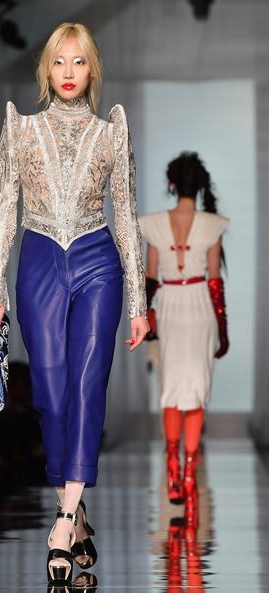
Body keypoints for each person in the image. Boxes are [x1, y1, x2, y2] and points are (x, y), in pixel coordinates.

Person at [0, 22, 149, 582]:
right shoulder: (21, 128)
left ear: (92, 68)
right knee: (51, 395)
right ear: (46, 69)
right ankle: (76, 514)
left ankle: (61, 521)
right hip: (38, 261)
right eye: (60, 61)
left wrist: (138, 302)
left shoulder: (111, 133)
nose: (69, 72)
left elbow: (126, 215)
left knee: (86, 386)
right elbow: (4, 209)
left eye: (79, 61)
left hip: (98, 260)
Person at [139, 152, 229, 526]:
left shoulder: (154, 225)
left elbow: (150, 279)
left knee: (172, 389)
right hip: (200, 305)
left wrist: (144, 318)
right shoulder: (212, 225)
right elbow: (215, 281)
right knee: (196, 390)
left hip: (171, 305)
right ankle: (189, 473)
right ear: (201, 185)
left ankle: (173, 468)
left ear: (172, 184)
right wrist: (223, 329)